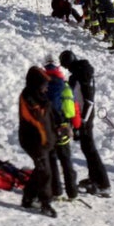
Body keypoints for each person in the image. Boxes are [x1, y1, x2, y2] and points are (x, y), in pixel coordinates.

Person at [60, 50, 111, 197]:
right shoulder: (77, 74)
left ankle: (104, 184)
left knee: (90, 149)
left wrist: (83, 120)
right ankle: (94, 178)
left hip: (85, 117)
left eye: (66, 65)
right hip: (80, 116)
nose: (66, 68)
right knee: (86, 148)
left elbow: (89, 100)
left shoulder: (83, 74)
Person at [19, 65, 57, 218]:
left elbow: (49, 119)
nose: (46, 89)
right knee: (45, 172)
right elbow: (38, 122)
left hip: (43, 141)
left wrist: (57, 131)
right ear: (35, 84)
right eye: (44, 85)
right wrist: (46, 141)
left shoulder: (40, 97)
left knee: (40, 169)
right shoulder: (28, 98)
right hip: (33, 141)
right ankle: (45, 203)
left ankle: (28, 198)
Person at [44, 56, 79, 201]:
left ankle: (56, 191)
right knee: (66, 160)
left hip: (48, 128)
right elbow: (72, 109)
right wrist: (75, 126)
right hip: (63, 127)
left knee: (52, 160)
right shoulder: (64, 85)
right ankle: (72, 192)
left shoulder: (42, 84)